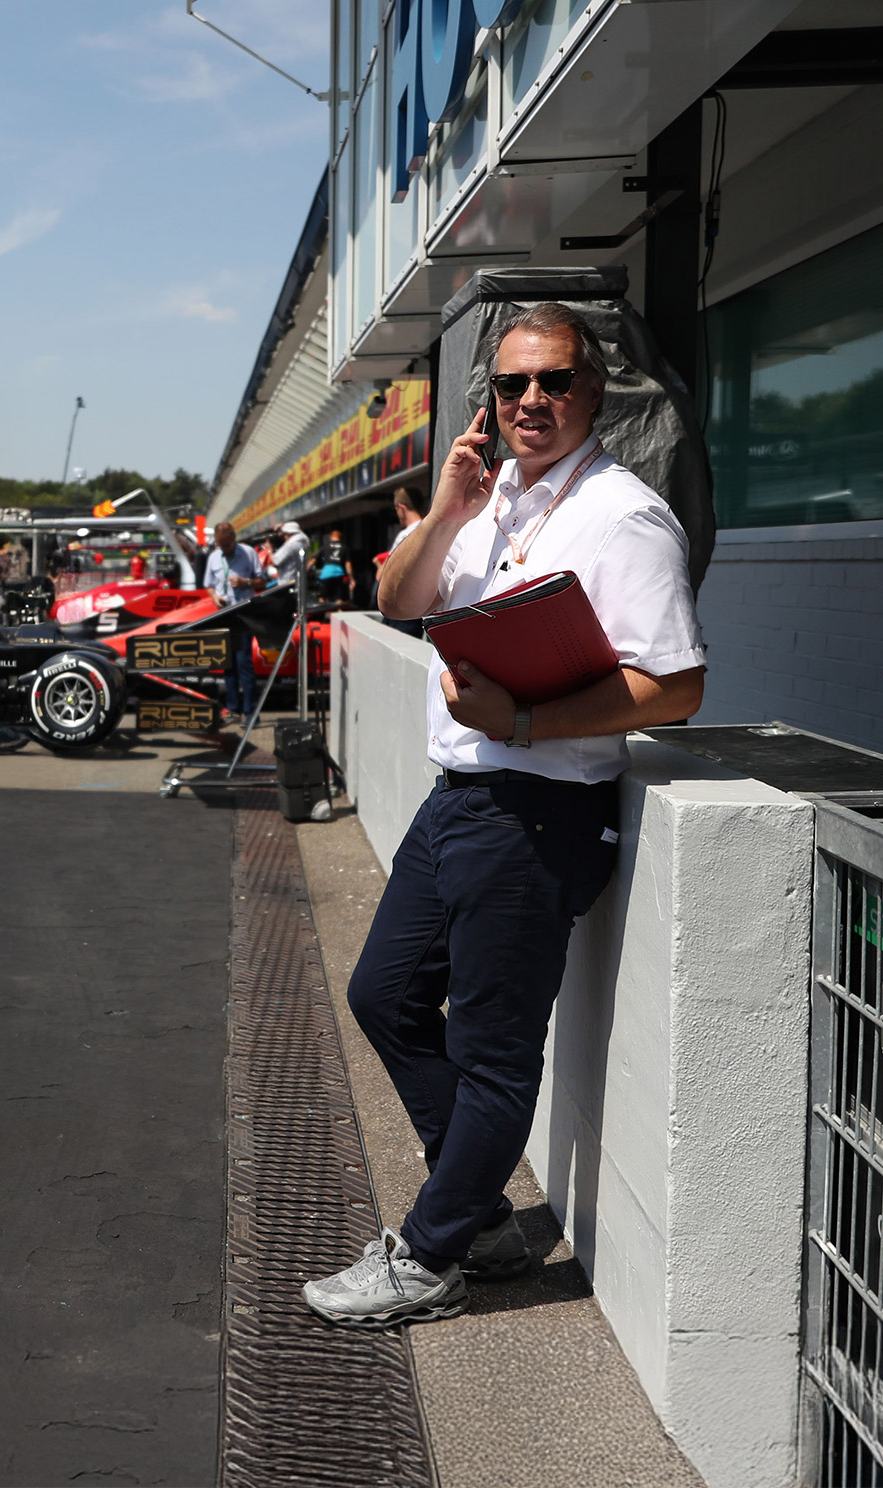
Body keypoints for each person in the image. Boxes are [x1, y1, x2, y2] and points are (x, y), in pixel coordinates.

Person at [302, 303, 706, 1329]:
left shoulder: (624, 517)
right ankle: (476, 1212)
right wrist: (446, 507)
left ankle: (432, 1258)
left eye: (555, 381)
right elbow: (397, 603)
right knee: (383, 995)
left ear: (594, 389)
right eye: (514, 383)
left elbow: (676, 688)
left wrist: (525, 719)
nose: (532, 400)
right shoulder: (489, 501)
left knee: (492, 1051)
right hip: (460, 801)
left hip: (538, 812)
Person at [204, 520, 264, 721]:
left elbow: (262, 581)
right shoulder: (213, 557)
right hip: (224, 613)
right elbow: (209, 585)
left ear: (234, 539)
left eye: (227, 545)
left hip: (244, 613)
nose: (225, 549)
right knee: (227, 662)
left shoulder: (248, 553)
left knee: (243, 662)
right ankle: (232, 708)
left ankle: (251, 711)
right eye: (221, 545)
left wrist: (245, 581)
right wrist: (214, 597)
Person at [373, 488, 426, 633]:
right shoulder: (427, 529)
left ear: (401, 508)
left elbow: (380, 575)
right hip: (418, 607)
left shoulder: (404, 535)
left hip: (398, 608)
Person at [313, 528, 353, 602]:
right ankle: (339, 611)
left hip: (326, 574)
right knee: (339, 598)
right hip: (339, 574)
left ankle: (323, 610)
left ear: (331, 537)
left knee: (322, 597)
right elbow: (348, 564)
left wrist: (305, 571)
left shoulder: (325, 547)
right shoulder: (344, 548)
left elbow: (313, 560)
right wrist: (352, 579)